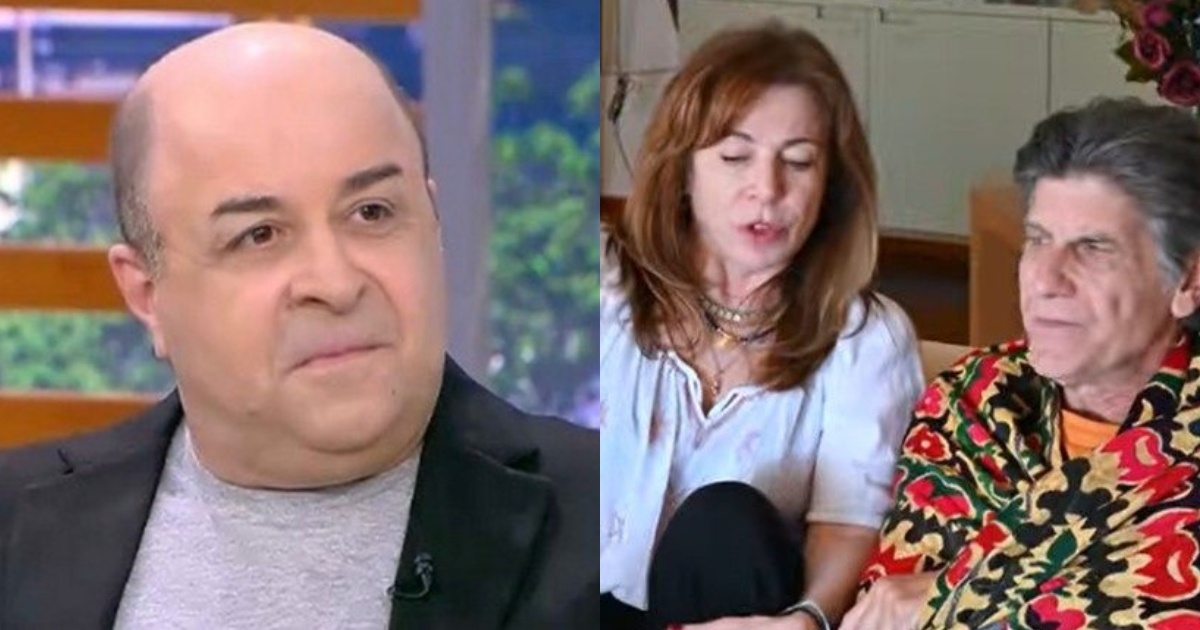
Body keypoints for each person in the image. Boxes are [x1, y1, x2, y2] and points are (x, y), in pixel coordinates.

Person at [0, 23, 597, 629]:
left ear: (433, 223)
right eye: (259, 235)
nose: (335, 284)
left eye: (372, 212)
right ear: (147, 295)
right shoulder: (16, 530)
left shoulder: (617, 528)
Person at [600, 21, 923, 630]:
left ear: (830, 186)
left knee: (724, 523)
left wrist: (807, 619)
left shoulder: (865, 340)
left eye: (798, 162)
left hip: (734, 613)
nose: (767, 189)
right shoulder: (600, 286)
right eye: (735, 157)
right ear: (683, 172)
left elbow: (849, 520)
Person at [844, 97, 1200, 630]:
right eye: (1038, 240)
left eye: (1093, 247)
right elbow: (882, 611)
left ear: (1188, 281)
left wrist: (952, 597)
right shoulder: (973, 401)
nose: (1046, 279)